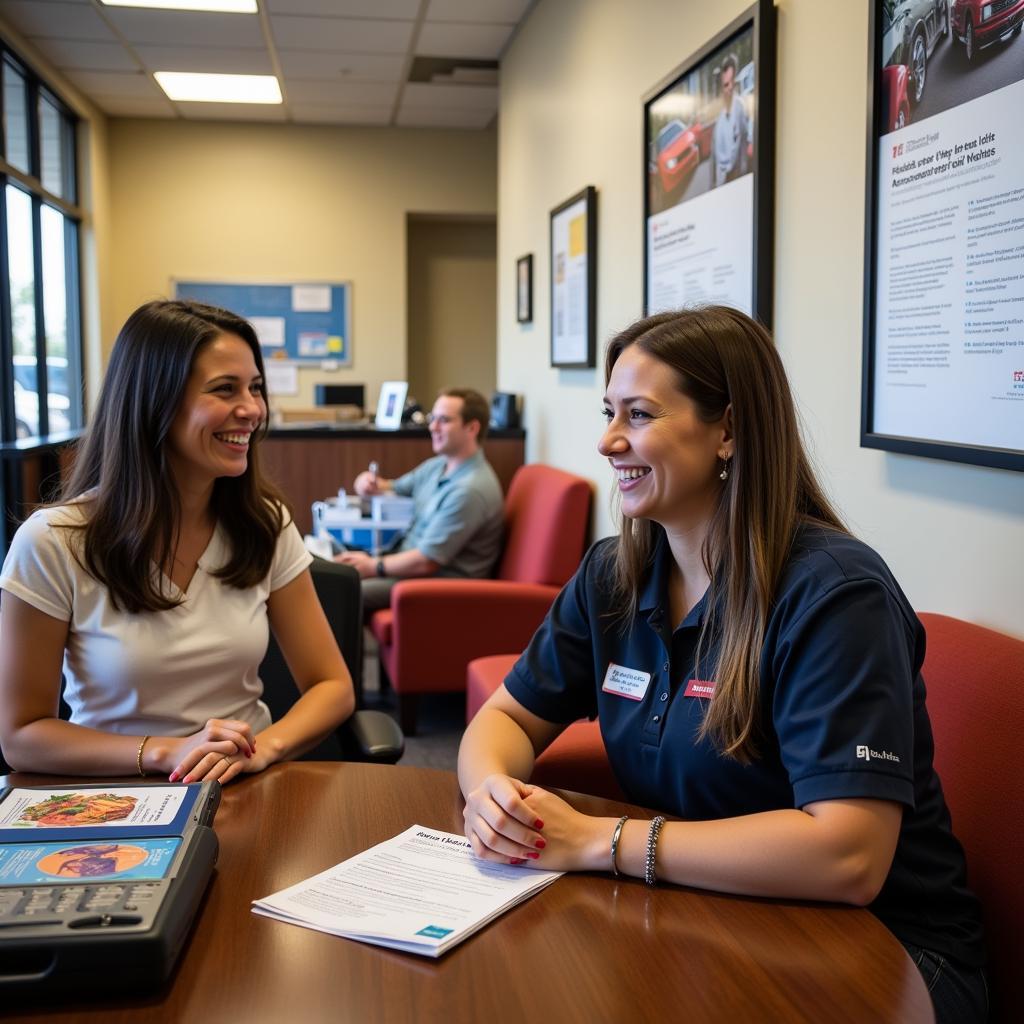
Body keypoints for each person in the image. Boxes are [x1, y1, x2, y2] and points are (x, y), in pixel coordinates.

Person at [458, 307, 987, 1024]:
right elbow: (508, 716)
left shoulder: (834, 593)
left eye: (638, 414)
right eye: (609, 411)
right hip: (704, 913)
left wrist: (602, 841)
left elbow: (849, 855)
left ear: (729, 432)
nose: (608, 440)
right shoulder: (614, 574)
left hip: (884, 949)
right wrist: (493, 794)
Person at [0, 300, 355, 784]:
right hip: (116, 796)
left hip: (244, 786)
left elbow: (332, 686)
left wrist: (263, 748)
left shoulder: (263, 524)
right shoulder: (53, 542)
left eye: (254, 388)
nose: (252, 409)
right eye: (224, 389)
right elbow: (22, 734)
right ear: (155, 402)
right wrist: (169, 752)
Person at [337, 388, 504, 613]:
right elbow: (393, 486)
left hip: (435, 584)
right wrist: (368, 483)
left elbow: (427, 560)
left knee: (338, 590)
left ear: (472, 428)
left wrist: (372, 566)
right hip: (407, 565)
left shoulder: (470, 490)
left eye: (443, 420)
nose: (433, 427)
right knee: (333, 570)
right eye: (432, 418)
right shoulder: (438, 466)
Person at [712, 54, 750, 187]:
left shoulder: (740, 107)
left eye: (732, 82)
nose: (730, 87)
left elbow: (744, 143)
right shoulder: (719, 121)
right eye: (726, 84)